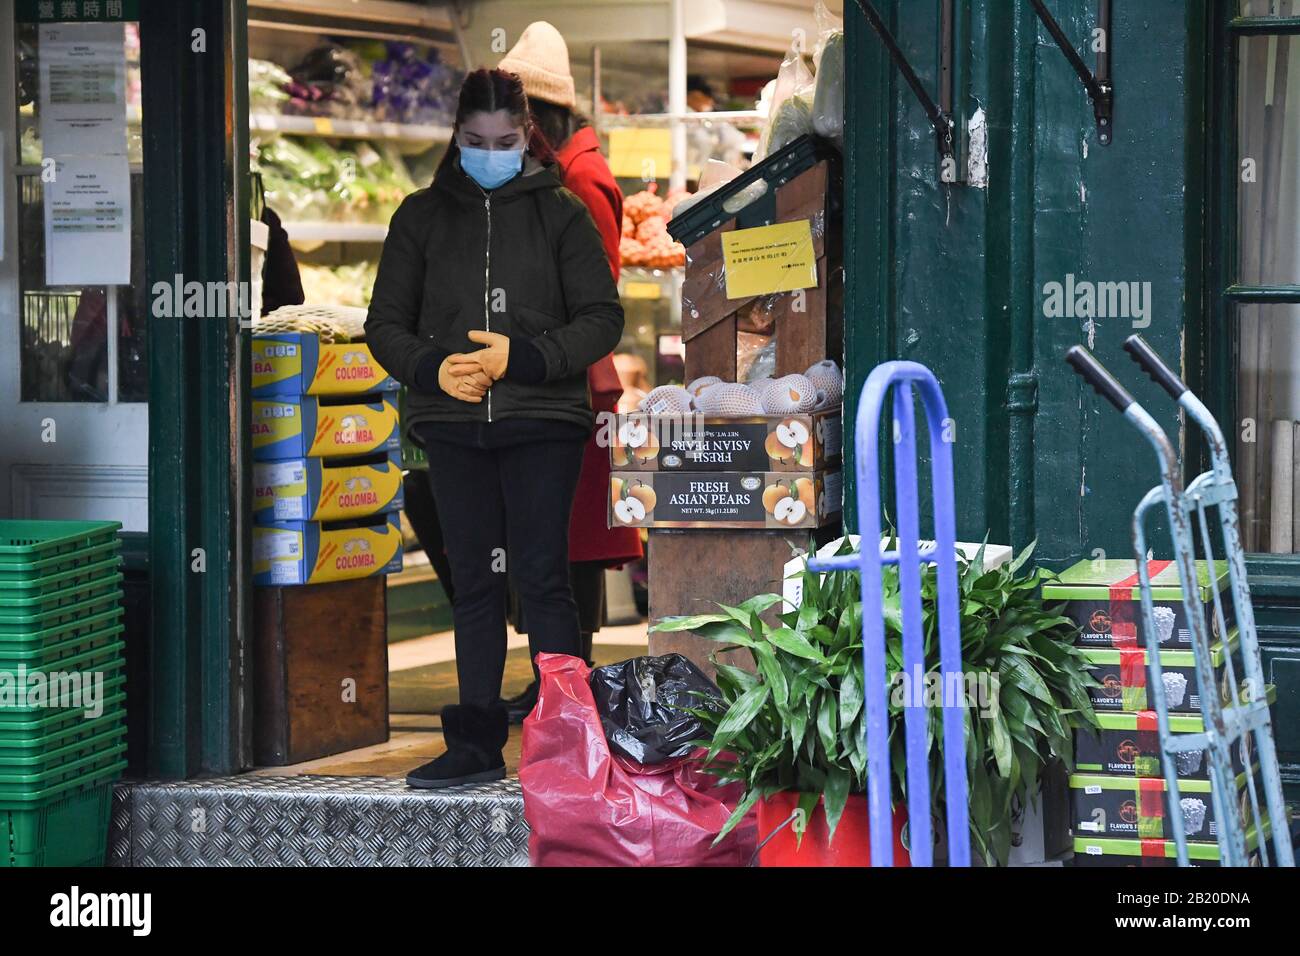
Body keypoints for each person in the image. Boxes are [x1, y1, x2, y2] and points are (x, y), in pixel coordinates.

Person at [365, 67, 625, 789]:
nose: (490, 151)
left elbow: (603, 317)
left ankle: (569, 745)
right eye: (476, 140)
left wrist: (530, 356)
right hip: (452, 426)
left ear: (526, 137)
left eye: (504, 140)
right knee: (475, 585)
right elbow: (383, 323)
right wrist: (429, 368)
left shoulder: (563, 214)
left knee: (543, 581)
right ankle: (475, 745)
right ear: (456, 136)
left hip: (544, 421)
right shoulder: (419, 217)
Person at [495, 21, 643, 722]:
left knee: (568, 541)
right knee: (550, 534)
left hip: (575, 382)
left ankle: (568, 680)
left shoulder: (581, 175)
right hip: (563, 376)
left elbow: (596, 286)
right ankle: (560, 675)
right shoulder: (562, 167)